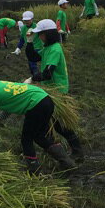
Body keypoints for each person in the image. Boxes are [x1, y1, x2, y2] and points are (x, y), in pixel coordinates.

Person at [0, 67, 76, 172]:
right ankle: (67, 163)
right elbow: (8, 109)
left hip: (36, 105)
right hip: (46, 100)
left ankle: (34, 171)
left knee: (26, 140)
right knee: (39, 136)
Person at [25, 18, 83, 161]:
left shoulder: (55, 49)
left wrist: (32, 79)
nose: (40, 37)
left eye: (41, 34)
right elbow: (33, 57)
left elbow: (47, 73)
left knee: (60, 126)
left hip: (58, 91)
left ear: (48, 34)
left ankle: (77, 152)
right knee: (48, 124)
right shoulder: (47, 48)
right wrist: (30, 42)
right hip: (49, 91)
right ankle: (55, 150)